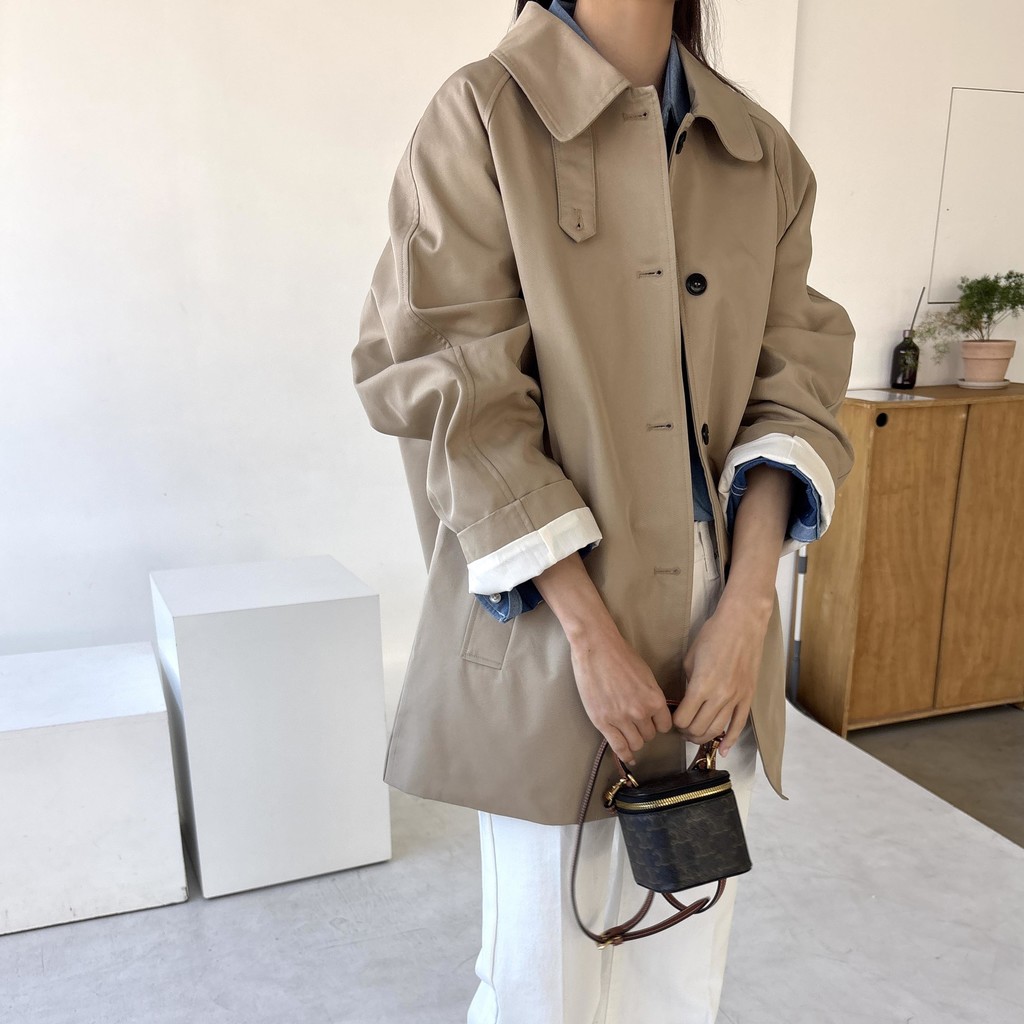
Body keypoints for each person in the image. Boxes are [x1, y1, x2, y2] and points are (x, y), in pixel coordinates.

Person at [351, 1, 856, 1021]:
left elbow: (794, 384)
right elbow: (456, 386)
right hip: (552, 612)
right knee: (544, 979)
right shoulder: (481, 117)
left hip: (720, 620)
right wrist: (589, 634)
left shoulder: (761, 155)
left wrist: (746, 612)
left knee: (682, 972)